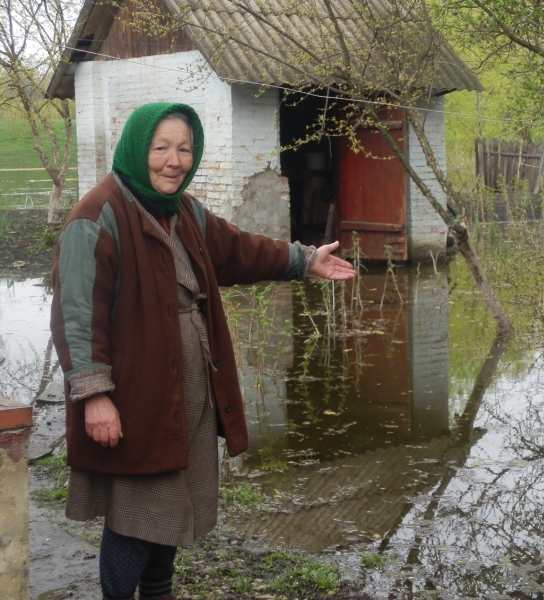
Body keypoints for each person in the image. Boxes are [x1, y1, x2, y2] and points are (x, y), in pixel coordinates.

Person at [50, 102, 355, 600]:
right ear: (136, 148)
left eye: (185, 148)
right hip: (135, 394)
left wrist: (303, 259)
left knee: (173, 502)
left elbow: (238, 249)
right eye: (161, 148)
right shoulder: (97, 216)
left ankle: (158, 594)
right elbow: (76, 316)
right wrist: (94, 396)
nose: (175, 160)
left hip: (187, 389)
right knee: (136, 511)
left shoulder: (182, 211)